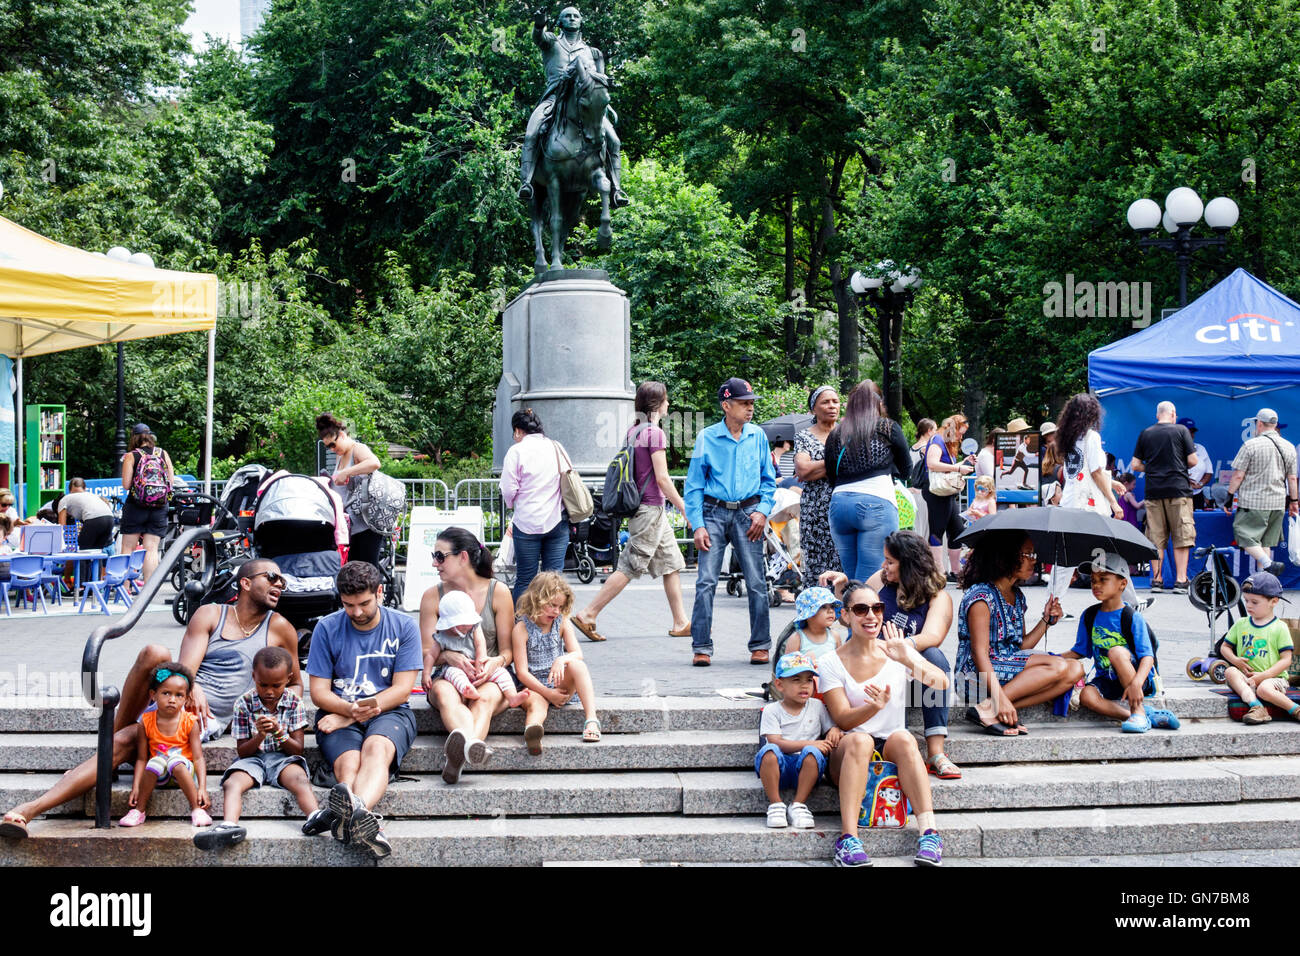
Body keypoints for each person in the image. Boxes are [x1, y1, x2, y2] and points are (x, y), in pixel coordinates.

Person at [0, 557, 300, 840]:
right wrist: (191, 684)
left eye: (283, 582)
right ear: (245, 583)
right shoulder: (212, 613)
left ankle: (32, 808)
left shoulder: (280, 628)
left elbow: (296, 684)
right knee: (155, 653)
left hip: (205, 719)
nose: (279, 585)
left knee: (125, 740)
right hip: (178, 696)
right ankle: (104, 755)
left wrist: (272, 709)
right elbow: (184, 671)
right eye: (272, 577)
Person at [819, 582, 951, 867]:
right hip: (848, 751)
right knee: (861, 740)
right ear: (846, 615)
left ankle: (929, 833)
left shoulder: (895, 650)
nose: (871, 616)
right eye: (861, 609)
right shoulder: (830, 661)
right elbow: (841, 717)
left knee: (904, 738)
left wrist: (907, 658)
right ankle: (848, 839)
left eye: (877, 608)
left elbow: (941, 683)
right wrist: (872, 707)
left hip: (889, 748)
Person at [308, 561, 421, 859]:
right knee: (348, 764)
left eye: (363, 603)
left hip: (390, 711)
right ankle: (364, 823)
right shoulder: (327, 627)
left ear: (380, 592)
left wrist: (350, 714)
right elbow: (319, 692)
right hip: (339, 709)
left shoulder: (404, 626)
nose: (356, 612)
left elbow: (402, 690)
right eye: (348, 605)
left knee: (376, 750)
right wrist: (348, 710)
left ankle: (350, 816)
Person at [573, 382, 691, 641]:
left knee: (671, 563)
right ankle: (588, 613)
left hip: (647, 510)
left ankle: (681, 621)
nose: (669, 404)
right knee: (629, 565)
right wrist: (684, 507)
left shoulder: (633, 431)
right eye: (666, 400)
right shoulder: (655, 434)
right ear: (658, 404)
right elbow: (662, 478)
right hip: (650, 509)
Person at [684, 377, 777, 666]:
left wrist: (763, 511)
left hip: (749, 514)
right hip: (713, 512)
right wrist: (697, 524)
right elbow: (694, 485)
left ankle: (760, 645)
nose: (750, 409)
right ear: (726, 405)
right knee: (706, 581)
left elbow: (768, 481)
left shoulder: (758, 436)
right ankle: (701, 646)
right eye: (744, 403)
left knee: (757, 581)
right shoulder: (706, 437)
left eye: (751, 404)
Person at [195, 646, 326, 850]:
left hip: (282, 758)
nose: (269, 692)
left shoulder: (294, 703)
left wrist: (278, 733)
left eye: (277, 685)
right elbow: (242, 752)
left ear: (289, 679)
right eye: (262, 684)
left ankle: (315, 817)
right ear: (253, 676)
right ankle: (229, 826)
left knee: (300, 778)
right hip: (252, 758)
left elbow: (297, 750)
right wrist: (260, 736)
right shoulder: (243, 704)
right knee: (232, 783)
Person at [957, 530, 1083, 735]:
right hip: (974, 676)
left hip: (1006, 667)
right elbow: (978, 654)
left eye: (1033, 554)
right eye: (1028, 554)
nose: (1034, 561)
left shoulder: (1017, 596)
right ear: (1005, 555)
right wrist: (1000, 697)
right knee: (1058, 664)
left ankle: (993, 708)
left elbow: (1020, 647)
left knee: (1075, 669)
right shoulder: (981, 597)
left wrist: (1046, 621)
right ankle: (994, 705)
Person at [418, 527, 518, 785]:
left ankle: (459, 754)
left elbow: (508, 652)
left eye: (440, 556)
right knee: (445, 694)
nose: (434, 562)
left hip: (489, 674)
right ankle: (471, 745)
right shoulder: (433, 596)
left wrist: (494, 662)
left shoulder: (498, 592)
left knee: (483, 700)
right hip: (446, 674)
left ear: (463, 557)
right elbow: (425, 651)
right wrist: (449, 657)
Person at [862, 530, 962, 778]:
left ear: (909, 565)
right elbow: (856, 615)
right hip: (876, 668)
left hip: (912, 671)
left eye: (891, 561)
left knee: (934, 656)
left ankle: (936, 752)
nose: (884, 566)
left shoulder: (939, 597)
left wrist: (898, 646)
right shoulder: (879, 581)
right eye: (885, 560)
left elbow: (932, 636)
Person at [518, 6, 628, 207]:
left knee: (614, 140)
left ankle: (616, 189)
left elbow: (600, 82)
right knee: (531, 134)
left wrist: (606, 103)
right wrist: (539, 24)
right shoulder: (551, 42)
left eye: (575, 16)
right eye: (567, 16)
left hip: (585, 105)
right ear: (560, 22)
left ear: (581, 21)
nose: (572, 19)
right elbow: (538, 37)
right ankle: (526, 182)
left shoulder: (593, 53)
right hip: (553, 99)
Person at [1061, 553, 1180, 733]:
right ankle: (1136, 715)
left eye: (1103, 579)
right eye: (1093, 581)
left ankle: (1138, 711)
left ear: (1122, 584)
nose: (1096, 585)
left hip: (1138, 678)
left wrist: (1136, 683)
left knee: (1116, 652)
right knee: (1086, 696)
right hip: (1107, 679)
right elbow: (1079, 651)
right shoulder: (1089, 615)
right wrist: (1050, 657)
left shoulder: (1131, 616)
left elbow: (1147, 657)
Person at [822, 379, 911, 582]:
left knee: (848, 577)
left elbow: (830, 474)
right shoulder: (887, 428)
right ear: (878, 403)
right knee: (870, 579)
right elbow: (907, 470)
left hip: (839, 505)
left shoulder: (836, 434)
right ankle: (862, 611)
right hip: (875, 501)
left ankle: (847, 611)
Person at [512, 571, 601, 751]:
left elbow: (577, 653)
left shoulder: (561, 622)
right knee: (537, 705)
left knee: (577, 665)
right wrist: (547, 693)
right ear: (536, 600)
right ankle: (533, 732)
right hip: (535, 686)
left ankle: (591, 720)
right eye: (552, 605)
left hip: (560, 683)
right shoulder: (521, 628)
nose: (556, 611)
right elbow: (521, 672)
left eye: (560, 606)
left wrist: (562, 659)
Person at [120, 662, 212, 829]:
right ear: (153, 695)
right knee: (155, 761)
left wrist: (202, 788)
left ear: (186, 697)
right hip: (159, 775)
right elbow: (141, 758)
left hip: (183, 773)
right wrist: (136, 786)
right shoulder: (145, 722)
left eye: (179, 695)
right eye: (166, 693)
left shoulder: (190, 722)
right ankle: (139, 811)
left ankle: (197, 810)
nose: (172, 700)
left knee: (175, 761)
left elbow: (198, 758)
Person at [1050, 394, 1124, 596]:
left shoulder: (1068, 437)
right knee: (1110, 552)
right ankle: (1128, 600)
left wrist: (1113, 482)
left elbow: (1079, 472)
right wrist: (1113, 502)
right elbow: (1095, 471)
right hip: (1090, 506)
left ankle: (1052, 601)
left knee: (1066, 558)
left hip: (1072, 501)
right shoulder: (1092, 437)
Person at [757, 652, 841, 829]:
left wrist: (834, 730)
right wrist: (810, 743)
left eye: (809, 680)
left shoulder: (817, 706)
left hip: (807, 768)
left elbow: (830, 727)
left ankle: (799, 805)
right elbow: (775, 742)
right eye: (796, 680)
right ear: (779, 684)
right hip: (780, 765)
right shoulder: (772, 710)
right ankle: (776, 804)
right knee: (769, 751)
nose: (804, 685)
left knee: (813, 753)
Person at [499, 407, 570, 601]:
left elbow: (508, 489)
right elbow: (568, 477)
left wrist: (513, 503)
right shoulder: (556, 447)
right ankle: (552, 629)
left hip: (527, 523)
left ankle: (519, 627)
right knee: (554, 580)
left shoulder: (516, 451)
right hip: (557, 521)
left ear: (518, 430)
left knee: (525, 579)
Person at [1130, 401, 1197, 592]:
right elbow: (1193, 460)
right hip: (1178, 490)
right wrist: (1177, 467)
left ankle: (1157, 580)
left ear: (1157, 415)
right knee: (1181, 535)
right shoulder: (1181, 431)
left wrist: (1152, 469)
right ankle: (1181, 580)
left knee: (1155, 537)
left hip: (1153, 492)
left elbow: (1135, 465)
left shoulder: (1146, 433)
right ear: (1173, 414)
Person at [1224, 408, 1299, 577]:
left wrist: (1228, 497)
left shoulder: (1250, 445)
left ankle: (1267, 564)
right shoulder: (1288, 447)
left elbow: (1238, 475)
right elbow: (1292, 478)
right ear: (1274, 424)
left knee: (1244, 535)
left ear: (1259, 424)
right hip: (1278, 503)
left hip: (1253, 501)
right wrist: (1294, 502)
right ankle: (1266, 581)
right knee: (1266, 542)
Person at [1221, 571, 1298, 725]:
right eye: (1246, 600)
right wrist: (1235, 660)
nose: (1248, 605)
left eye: (1254, 602)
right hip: (1248, 678)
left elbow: (1286, 659)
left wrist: (1263, 676)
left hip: (1273, 679)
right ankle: (1256, 707)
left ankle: (1296, 710)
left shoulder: (1279, 627)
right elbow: (1225, 647)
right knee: (1229, 671)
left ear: (1274, 601)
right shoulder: (1241, 623)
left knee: (1263, 689)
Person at [431, 590, 530, 707]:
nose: (467, 626)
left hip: (480, 666)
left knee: (502, 673)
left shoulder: (474, 626)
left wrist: (482, 662)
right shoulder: (442, 636)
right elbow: (430, 656)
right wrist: (427, 674)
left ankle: (512, 696)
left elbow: (480, 644)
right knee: (453, 673)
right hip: (455, 668)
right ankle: (466, 689)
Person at [316, 413, 385, 567]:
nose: (331, 449)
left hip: (367, 524)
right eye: (327, 447)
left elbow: (374, 463)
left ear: (341, 435)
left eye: (333, 445)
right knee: (353, 571)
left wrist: (347, 472)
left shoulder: (357, 448)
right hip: (352, 527)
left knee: (366, 571)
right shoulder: (342, 455)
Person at [794, 385, 843, 584]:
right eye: (825, 402)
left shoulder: (847, 432)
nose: (832, 406)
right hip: (815, 511)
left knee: (842, 565)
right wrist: (839, 460)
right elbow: (803, 470)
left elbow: (857, 465)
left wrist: (818, 467)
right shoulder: (804, 436)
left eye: (835, 401)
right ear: (814, 408)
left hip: (843, 506)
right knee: (816, 567)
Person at [120, 423, 174, 586]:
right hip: (159, 506)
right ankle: (149, 590)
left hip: (136, 506)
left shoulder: (131, 456)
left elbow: (126, 485)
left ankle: (126, 587)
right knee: (151, 549)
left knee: (128, 548)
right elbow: (170, 481)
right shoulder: (162, 453)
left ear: (134, 438)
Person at [922, 414, 974, 579]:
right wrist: (958, 469)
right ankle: (939, 571)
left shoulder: (945, 443)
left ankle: (955, 570)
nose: (961, 436)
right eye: (960, 432)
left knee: (957, 530)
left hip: (947, 493)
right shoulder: (937, 440)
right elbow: (932, 464)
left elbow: (947, 467)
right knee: (937, 530)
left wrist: (964, 462)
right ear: (953, 428)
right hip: (936, 493)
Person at [784, 586, 843, 665]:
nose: (831, 611)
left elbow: (840, 663)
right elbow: (788, 668)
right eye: (823, 607)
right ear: (808, 614)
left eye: (832, 606)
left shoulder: (834, 636)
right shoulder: (797, 638)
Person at [57, 477, 115, 551]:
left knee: (83, 549)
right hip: (110, 519)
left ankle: (82, 562)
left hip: (94, 519)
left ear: (69, 491)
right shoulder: (92, 495)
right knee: (98, 551)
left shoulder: (64, 500)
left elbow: (61, 527)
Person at [1180, 417, 1214, 509]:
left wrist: (1200, 484)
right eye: (1187, 431)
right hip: (1178, 495)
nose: (1190, 434)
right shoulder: (1173, 449)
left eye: (1192, 431)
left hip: (1197, 495)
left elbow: (1209, 472)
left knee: (1199, 521)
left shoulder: (1200, 449)